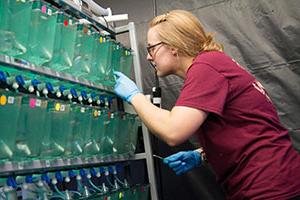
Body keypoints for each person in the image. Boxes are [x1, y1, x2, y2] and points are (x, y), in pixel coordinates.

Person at [113, 9, 300, 200]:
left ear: (173, 46)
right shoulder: (214, 64)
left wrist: (135, 96)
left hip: (270, 187)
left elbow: (173, 131)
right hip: (277, 181)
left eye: (151, 48)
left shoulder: (206, 67)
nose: (149, 57)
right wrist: (202, 155)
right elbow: (244, 129)